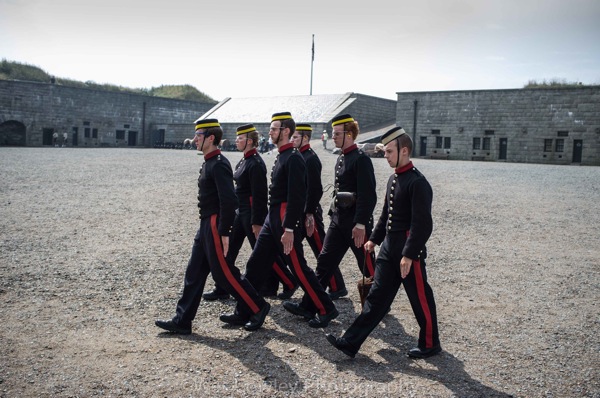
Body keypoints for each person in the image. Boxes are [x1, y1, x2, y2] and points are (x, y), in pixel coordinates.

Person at [326, 126, 441, 359]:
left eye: (389, 152)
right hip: (390, 248)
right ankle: (350, 343)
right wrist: (373, 240)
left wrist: (409, 254)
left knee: (420, 297)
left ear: (405, 151)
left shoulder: (418, 183)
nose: (385, 156)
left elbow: (423, 224)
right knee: (376, 298)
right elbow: (385, 215)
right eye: (385, 151)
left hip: (409, 249)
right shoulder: (394, 178)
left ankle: (430, 343)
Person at [155, 118, 270, 334]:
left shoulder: (219, 164)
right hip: (205, 222)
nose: (195, 139)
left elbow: (229, 200)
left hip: (215, 222)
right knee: (194, 271)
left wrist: (224, 231)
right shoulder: (209, 161)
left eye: (199, 135)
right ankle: (182, 320)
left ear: (210, 138)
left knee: (223, 273)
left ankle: (258, 306)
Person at [236, 112, 338, 328]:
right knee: (254, 265)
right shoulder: (283, 154)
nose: (270, 132)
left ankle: (326, 308)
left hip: (284, 221)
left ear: (286, 131)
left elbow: (297, 196)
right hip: (272, 219)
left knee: (299, 267)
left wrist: (290, 228)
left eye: (274, 128)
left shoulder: (293, 157)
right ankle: (246, 310)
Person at [293, 114, 377, 318]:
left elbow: (368, 195)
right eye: (333, 133)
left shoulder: (361, 159)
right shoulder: (341, 156)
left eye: (337, 134)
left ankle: (379, 303)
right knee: (324, 262)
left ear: (349, 134)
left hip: (355, 224)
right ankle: (308, 305)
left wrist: (360, 223)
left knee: (368, 266)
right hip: (339, 220)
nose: (333, 137)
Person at [203, 124, 297, 303]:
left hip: (251, 214)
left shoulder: (255, 163)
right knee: (228, 250)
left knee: (263, 253)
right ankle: (222, 286)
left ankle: (289, 281)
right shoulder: (244, 160)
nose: (236, 141)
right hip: (240, 212)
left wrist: (257, 221)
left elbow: (260, 195)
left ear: (250, 141)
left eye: (240, 138)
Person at [290, 124, 346, 299]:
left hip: (309, 211)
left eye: (296, 137)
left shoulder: (311, 158)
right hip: (299, 211)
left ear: (305, 139)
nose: (292, 140)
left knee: (322, 250)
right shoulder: (298, 156)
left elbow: (315, 189)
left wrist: (309, 213)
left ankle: (337, 286)